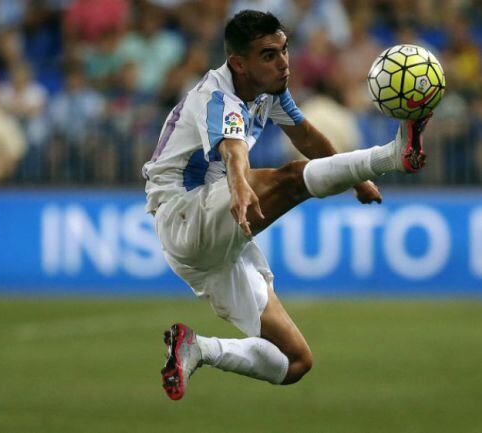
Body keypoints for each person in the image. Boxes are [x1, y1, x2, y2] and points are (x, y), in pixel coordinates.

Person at [142, 10, 430, 400]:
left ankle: (198, 348)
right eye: (268, 54)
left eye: (284, 50)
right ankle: (395, 155)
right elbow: (233, 150)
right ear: (238, 63)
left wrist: (357, 181)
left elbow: (307, 136)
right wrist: (241, 185)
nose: (282, 62)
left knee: (293, 361)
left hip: (214, 248)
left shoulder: (269, 92)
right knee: (294, 177)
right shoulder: (217, 95)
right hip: (184, 214)